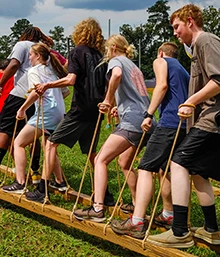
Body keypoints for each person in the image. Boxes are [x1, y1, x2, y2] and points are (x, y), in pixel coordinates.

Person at [146, 4, 220, 248]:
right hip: (206, 118)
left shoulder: (205, 40)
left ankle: (179, 233)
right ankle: (211, 230)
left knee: (178, 162)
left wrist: (190, 100)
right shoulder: (196, 48)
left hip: (212, 118)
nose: (175, 33)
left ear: (189, 21)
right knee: (198, 171)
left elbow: (218, 80)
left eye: (177, 27)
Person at [25, 18, 113, 203]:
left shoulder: (77, 52)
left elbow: (71, 79)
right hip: (96, 110)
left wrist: (47, 84)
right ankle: (106, 195)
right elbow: (107, 83)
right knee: (92, 153)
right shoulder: (100, 55)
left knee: (51, 144)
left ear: (80, 32)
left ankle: (42, 190)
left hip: (80, 109)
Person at [110, 42, 189, 238]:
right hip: (183, 125)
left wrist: (148, 114)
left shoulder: (161, 61)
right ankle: (169, 214)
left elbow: (161, 85)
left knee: (146, 168)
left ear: (161, 53)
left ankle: (137, 222)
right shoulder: (182, 70)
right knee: (165, 169)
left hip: (169, 122)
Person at [73, 34, 156, 222]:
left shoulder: (116, 61)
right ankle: (136, 203)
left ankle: (97, 208)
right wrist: (119, 106)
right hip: (147, 121)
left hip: (133, 122)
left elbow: (116, 75)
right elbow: (136, 95)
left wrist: (108, 100)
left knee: (101, 159)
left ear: (112, 48)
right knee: (124, 163)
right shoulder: (134, 67)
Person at [2, 43, 68, 194]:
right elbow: (65, 93)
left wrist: (22, 108)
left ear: (38, 56)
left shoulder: (33, 71)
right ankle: (60, 181)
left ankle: (19, 183)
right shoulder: (52, 71)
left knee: (18, 143)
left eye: (31, 55)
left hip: (46, 113)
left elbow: (36, 92)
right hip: (58, 113)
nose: (29, 58)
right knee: (48, 146)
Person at [0, 27, 50, 184]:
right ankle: (35, 171)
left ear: (24, 35)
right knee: (29, 135)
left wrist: (1, 84)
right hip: (35, 97)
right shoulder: (43, 49)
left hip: (20, 94)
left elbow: (14, 64)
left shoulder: (21, 45)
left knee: (4, 129)